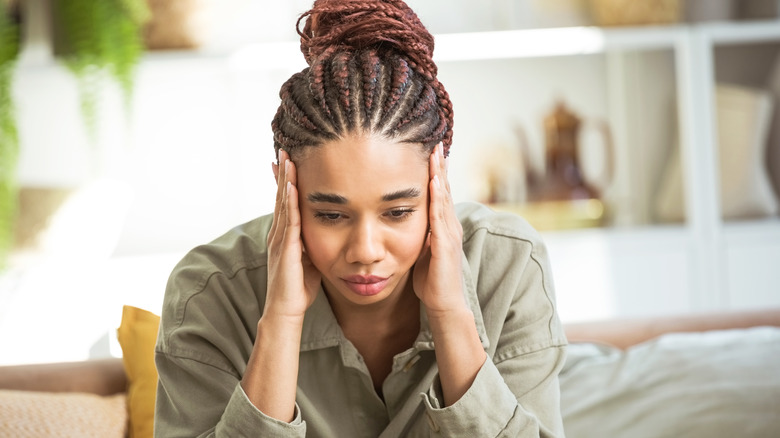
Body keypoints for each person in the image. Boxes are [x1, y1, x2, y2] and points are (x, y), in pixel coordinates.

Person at [154, 0, 568, 436]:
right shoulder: (210, 293)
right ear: (284, 191)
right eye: (331, 214)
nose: (366, 251)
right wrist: (280, 321)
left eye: (399, 212)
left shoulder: (508, 264)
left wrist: (450, 314)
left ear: (437, 183)